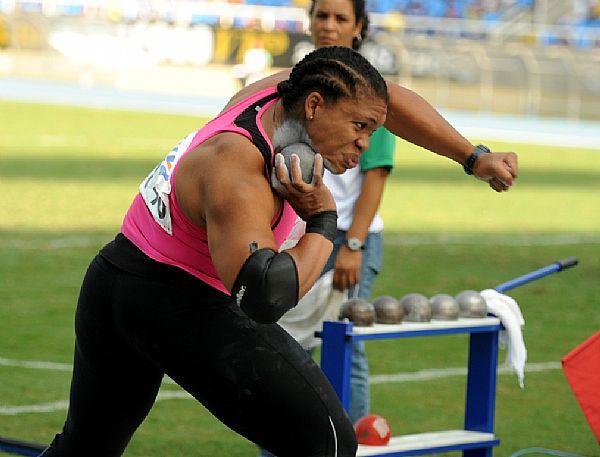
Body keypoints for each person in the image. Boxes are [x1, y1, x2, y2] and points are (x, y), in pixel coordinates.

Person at [39, 46, 390, 457]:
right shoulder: (236, 166)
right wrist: (324, 221)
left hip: (118, 276)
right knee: (327, 440)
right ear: (315, 105)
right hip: (172, 299)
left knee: (84, 451)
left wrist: (471, 158)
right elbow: (265, 296)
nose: (365, 143)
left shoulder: (275, 96)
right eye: (360, 126)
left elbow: (398, 100)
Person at [257, 2, 518, 455]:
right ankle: (282, 445)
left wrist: (353, 243)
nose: (329, 25)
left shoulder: (368, 94)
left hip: (345, 237)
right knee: (283, 347)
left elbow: (375, 172)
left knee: (346, 341)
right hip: (298, 235)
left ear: (359, 27)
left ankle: (354, 442)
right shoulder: (299, 85)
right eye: (322, 15)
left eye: (341, 18)